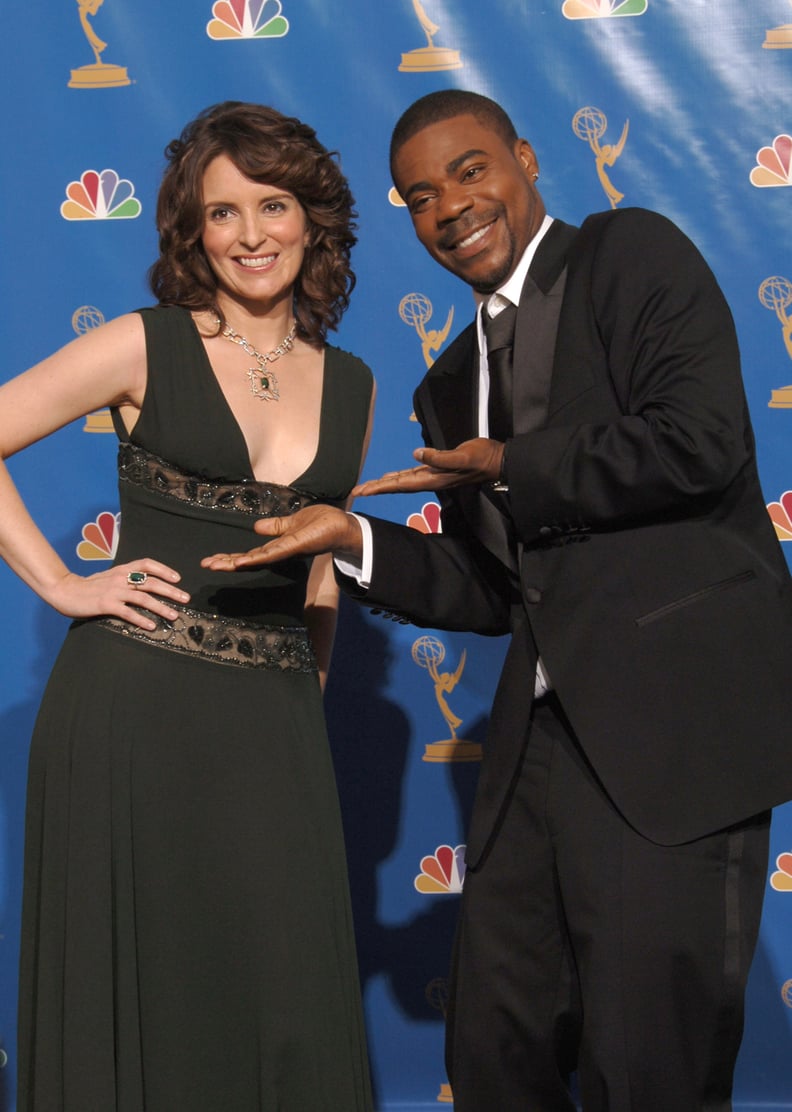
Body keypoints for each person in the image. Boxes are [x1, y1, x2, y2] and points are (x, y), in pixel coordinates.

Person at [203, 90, 792, 1111]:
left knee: (650, 1058)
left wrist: (512, 460)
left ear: (522, 157)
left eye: (471, 171)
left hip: (675, 726)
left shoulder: (629, 255)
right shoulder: (450, 381)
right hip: (543, 744)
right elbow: (492, 588)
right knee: (495, 1043)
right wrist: (356, 541)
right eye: (422, 196)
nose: (451, 208)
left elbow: (699, 443)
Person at [1, 101, 374, 1111]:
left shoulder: (355, 384)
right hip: (132, 716)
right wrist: (62, 582)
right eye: (222, 213)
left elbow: (321, 566)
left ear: (314, 218)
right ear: (191, 233)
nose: (251, 234)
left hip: (272, 722)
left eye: (274, 203)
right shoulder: (142, 345)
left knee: (277, 999)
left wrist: (310, 696)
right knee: (153, 1000)